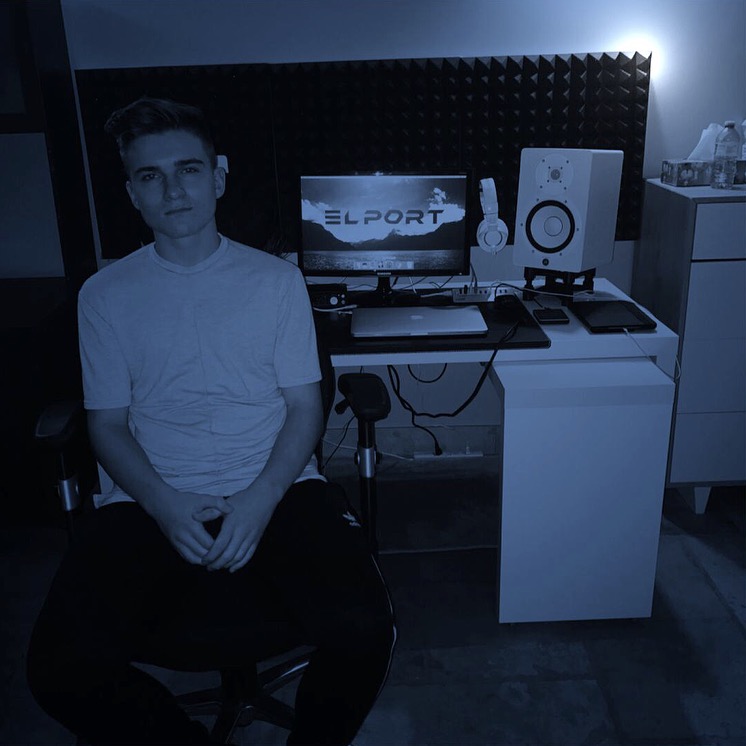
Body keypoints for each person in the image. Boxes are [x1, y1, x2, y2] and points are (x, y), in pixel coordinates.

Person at [27, 97, 396, 746]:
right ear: (132, 193)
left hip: (277, 486)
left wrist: (259, 499)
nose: (173, 190)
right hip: (150, 496)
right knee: (58, 670)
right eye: (150, 176)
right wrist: (164, 505)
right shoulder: (105, 295)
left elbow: (304, 407)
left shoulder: (276, 281)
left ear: (218, 178)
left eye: (188, 169)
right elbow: (107, 424)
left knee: (367, 631)